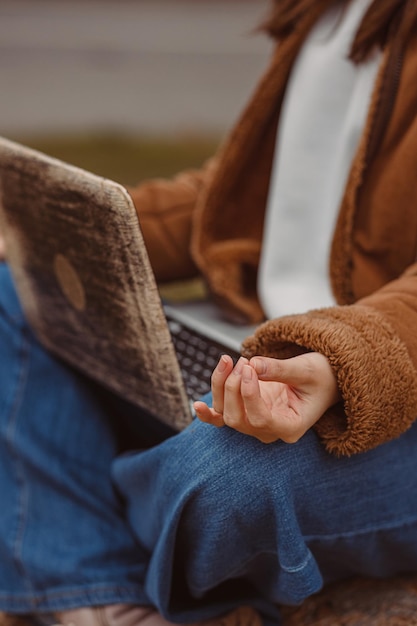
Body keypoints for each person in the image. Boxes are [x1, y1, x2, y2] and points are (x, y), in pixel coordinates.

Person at [1, 0, 417, 624]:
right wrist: (53, 224)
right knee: (13, 291)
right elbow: (248, 189)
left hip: (384, 389)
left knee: (227, 479)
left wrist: (342, 360)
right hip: (258, 345)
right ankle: (99, 594)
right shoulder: (323, 13)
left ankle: (72, 541)